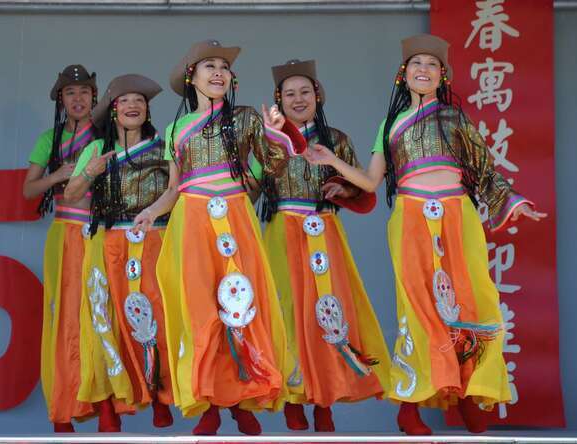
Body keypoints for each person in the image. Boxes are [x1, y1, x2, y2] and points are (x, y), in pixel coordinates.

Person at [304, 34, 546, 435]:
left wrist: (515, 202)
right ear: (404, 74)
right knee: (418, 309)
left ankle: (469, 394)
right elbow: (369, 181)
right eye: (416, 63)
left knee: (469, 301)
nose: (423, 70)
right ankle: (409, 404)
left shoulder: (454, 119)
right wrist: (331, 160)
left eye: (432, 65)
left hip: (456, 214)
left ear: (442, 76)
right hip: (411, 216)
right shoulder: (390, 124)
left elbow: (484, 170)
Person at [131, 39, 306, 436]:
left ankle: (244, 398)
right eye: (209, 66)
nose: (218, 73)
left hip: (235, 215)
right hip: (191, 221)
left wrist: (279, 133)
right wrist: (151, 211)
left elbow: (277, 163)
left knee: (242, 304)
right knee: (201, 310)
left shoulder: (245, 118)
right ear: (192, 76)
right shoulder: (176, 128)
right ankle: (208, 398)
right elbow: (176, 188)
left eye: (224, 68)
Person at [259, 59, 392, 432]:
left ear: (317, 96)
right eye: (290, 94)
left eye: (305, 92)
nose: (298, 99)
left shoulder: (336, 140)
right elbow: (252, 183)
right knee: (285, 311)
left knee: (328, 310)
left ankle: (326, 397)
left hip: (323, 229)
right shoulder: (268, 139)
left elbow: (363, 192)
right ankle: (292, 395)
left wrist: (342, 188)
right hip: (280, 229)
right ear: (278, 101)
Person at [23, 65, 130, 432]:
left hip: (102, 231)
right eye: (71, 93)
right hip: (65, 232)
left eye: (85, 92)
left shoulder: (107, 135)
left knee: (104, 312)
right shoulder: (48, 140)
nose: (79, 99)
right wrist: (59, 175)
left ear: (94, 97)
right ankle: (64, 407)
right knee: (66, 317)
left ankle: (107, 405)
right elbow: (29, 190)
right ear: (60, 99)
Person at [64, 73, 174, 428]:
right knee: (104, 320)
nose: (132, 106)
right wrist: (89, 173)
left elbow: (180, 190)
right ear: (113, 111)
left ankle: (160, 394)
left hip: (154, 239)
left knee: (157, 318)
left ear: (147, 111)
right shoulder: (96, 150)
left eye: (139, 102)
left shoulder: (163, 146)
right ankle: (109, 405)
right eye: (125, 101)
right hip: (108, 242)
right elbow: (70, 194)